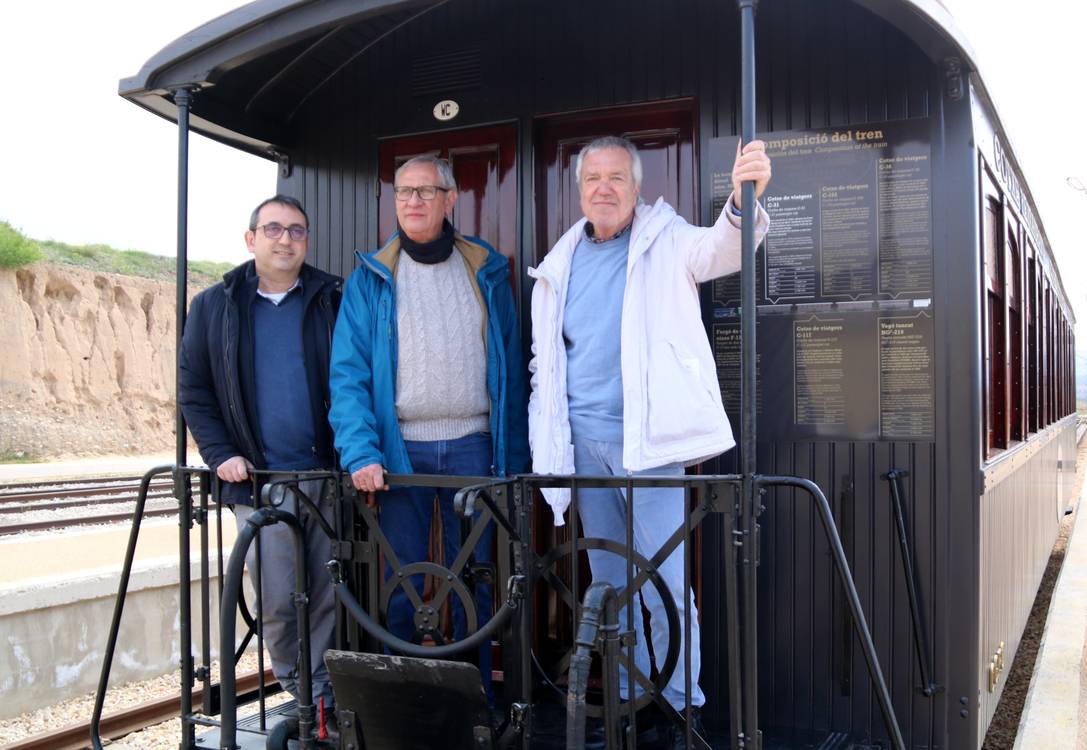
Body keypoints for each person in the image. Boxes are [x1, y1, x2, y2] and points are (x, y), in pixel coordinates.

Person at [527, 136, 771, 746]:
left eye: (616, 178)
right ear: (579, 190)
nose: (603, 188)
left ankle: (682, 704)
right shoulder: (559, 262)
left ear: (637, 188)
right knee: (609, 580)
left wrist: (743, 202)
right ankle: (635, 695)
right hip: (583, 448)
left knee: (663, 580)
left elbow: (722, 250)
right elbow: (547, 363)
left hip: (651, 444)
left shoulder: (669, 239)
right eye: (593, 179)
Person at [328, 154, 527, 697]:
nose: (412, 201)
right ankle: (408, 701)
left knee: (478, 584)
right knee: (405, 584)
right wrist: (360, 454)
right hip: (400, 454)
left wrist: (513, 462)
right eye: (403, 192)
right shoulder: (371, 278)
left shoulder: (485, 268)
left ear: (449, 198)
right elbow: (347, 378)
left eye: (424, 191)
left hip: (475, 447)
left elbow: (511, 369)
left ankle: (475, 699)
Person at [178, 195, 342, 716]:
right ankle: (298, 689)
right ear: (251, 239)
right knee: (276, 596)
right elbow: (193, 389)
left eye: (296, 231)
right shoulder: (214, 306)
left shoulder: (331, 298)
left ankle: (322, 696)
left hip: (326, 476)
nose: (284, 239)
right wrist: (219, 453)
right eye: (273, 229)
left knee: (328, 594)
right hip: (257, 481)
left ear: (306, 241)